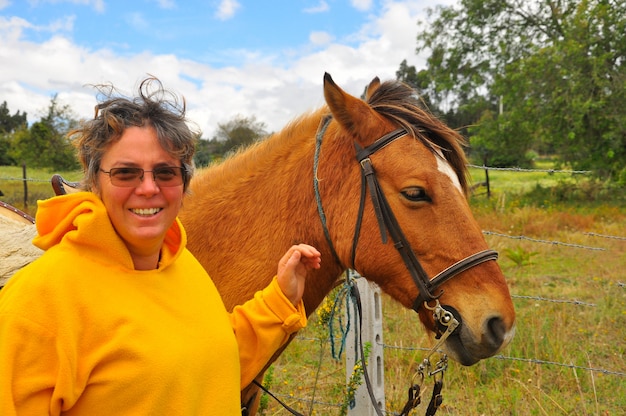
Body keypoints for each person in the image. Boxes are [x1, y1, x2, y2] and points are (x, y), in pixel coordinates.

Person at [0, 77, 321, 415]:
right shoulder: (39, 302)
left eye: (166, 173)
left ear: (183, 184)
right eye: (126, 173)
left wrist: (278, 302)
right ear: (95, 182)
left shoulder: (182, 265)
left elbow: (209, 365)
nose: (149, 188)